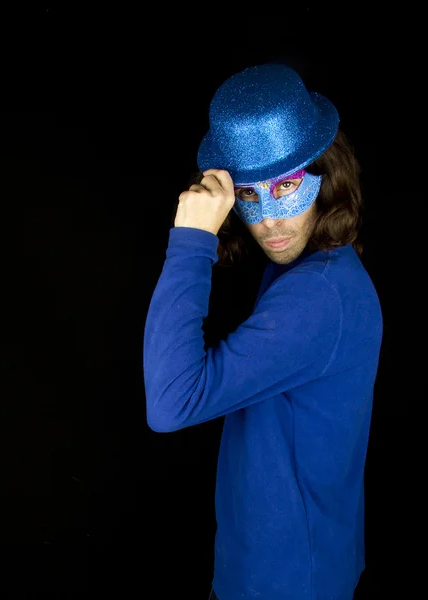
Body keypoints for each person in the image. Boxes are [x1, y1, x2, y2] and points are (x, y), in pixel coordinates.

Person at [143, 63, 383, 600]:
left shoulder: (319, 297)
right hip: (275, 567)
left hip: (287, 582)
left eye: (288, 187)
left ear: (328, 172)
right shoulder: (311, 269)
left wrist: (189, 241)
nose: (270, 221)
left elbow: (170, 404)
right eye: (249, 196)